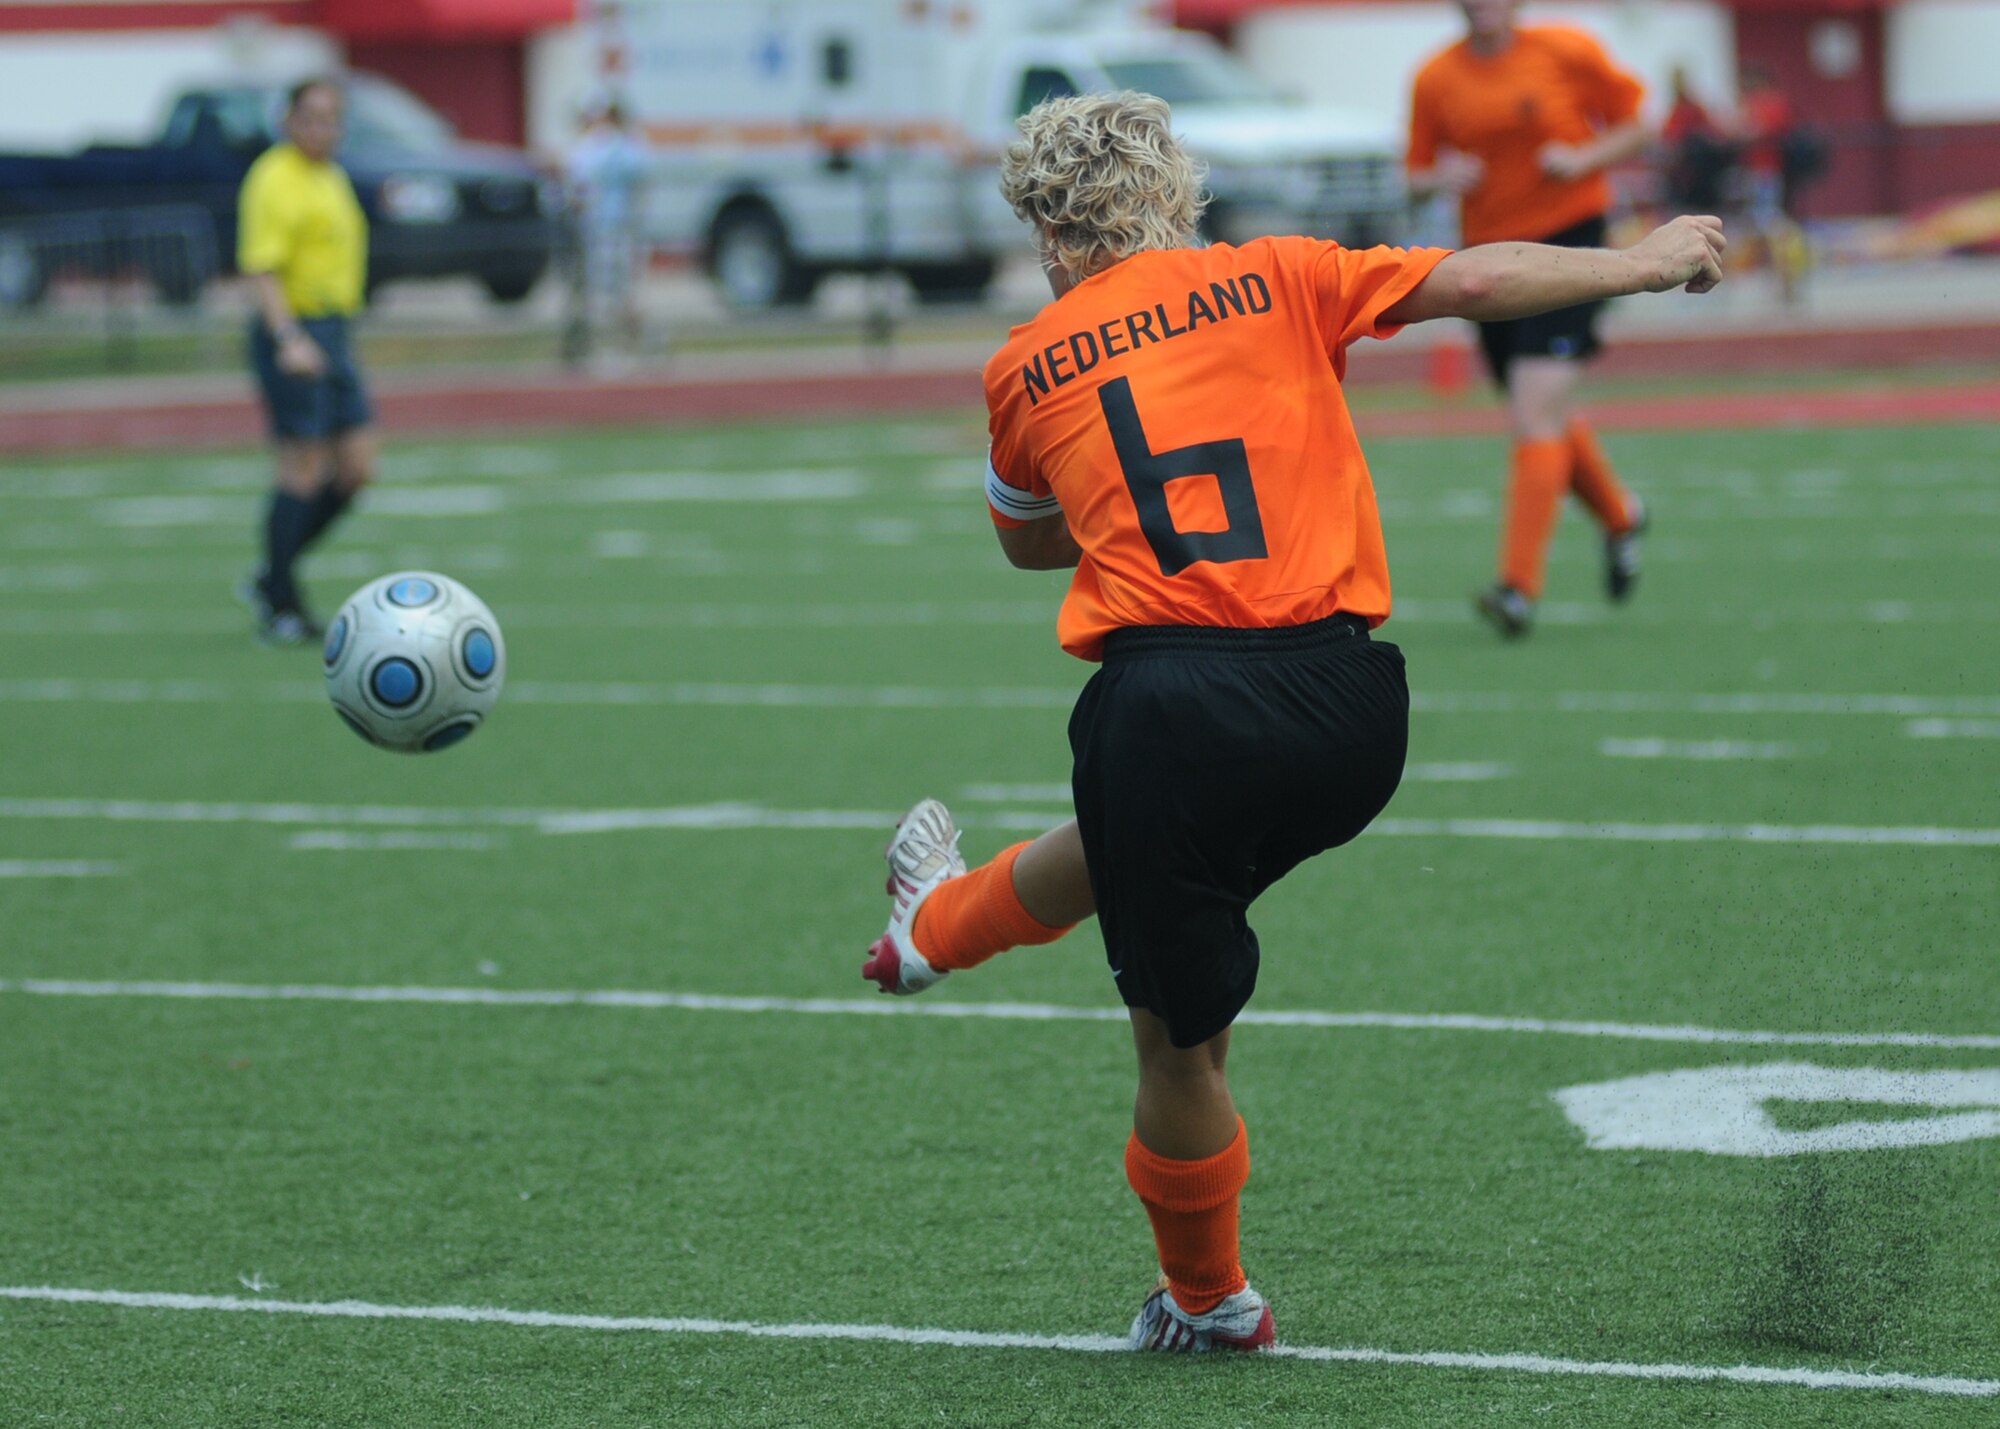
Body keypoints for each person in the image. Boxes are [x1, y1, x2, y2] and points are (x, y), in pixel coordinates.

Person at [860, 92, 1724, 1351]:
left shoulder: (1022, 362)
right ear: (1177, 192)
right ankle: (934, 926)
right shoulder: (1277, 276)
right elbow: (1474, 277)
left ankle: (1209, 1304)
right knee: (1154, 845)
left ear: (1049, 235)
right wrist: (1641, 261)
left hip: (1171, 709)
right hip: (1350, 711)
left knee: (1176, 1049)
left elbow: (1023, 541)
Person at [1406, 0, 1655, 637]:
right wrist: (1443, 176)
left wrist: (1583, 159)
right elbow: (1413, 175)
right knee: (1539, 412)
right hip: (1489, 261)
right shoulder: (1436, 77)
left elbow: (1638, 124)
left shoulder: (1565, 49)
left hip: (1569, 240)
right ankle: (1622, 517)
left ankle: (1517, 588)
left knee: (1532, 410)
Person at [238, 76, 375, 645]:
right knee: (302, 466)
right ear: (289, 119)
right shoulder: (274, 177)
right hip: (294, 330)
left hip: (335, 330)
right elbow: (262, 266)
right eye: (313, 116)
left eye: (333, 117)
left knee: (357, 468)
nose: (324, 128)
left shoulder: (332, 175)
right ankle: (282, 603)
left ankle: (272, 573)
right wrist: (289, 337)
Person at [565, 100, 650, 353]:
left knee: (614, 288)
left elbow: (637, 184)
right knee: (605, 289)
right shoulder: (599, 147)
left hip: (612, 227)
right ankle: (613, 340)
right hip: (601, 228)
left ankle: (624, 338)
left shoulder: (613, 148)